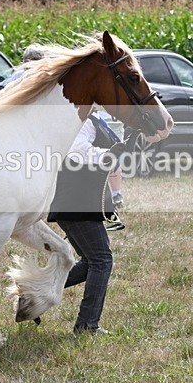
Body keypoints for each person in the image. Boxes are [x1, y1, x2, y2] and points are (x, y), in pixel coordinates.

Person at [47, 115, 125, 335]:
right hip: (77, 202)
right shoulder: (81, 120)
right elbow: (76, 151)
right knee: (102, 260)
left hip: (81, 201)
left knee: (92, 261)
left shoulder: (95, 118)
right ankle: (87, 324)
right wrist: (108, 154)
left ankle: (36, 292)